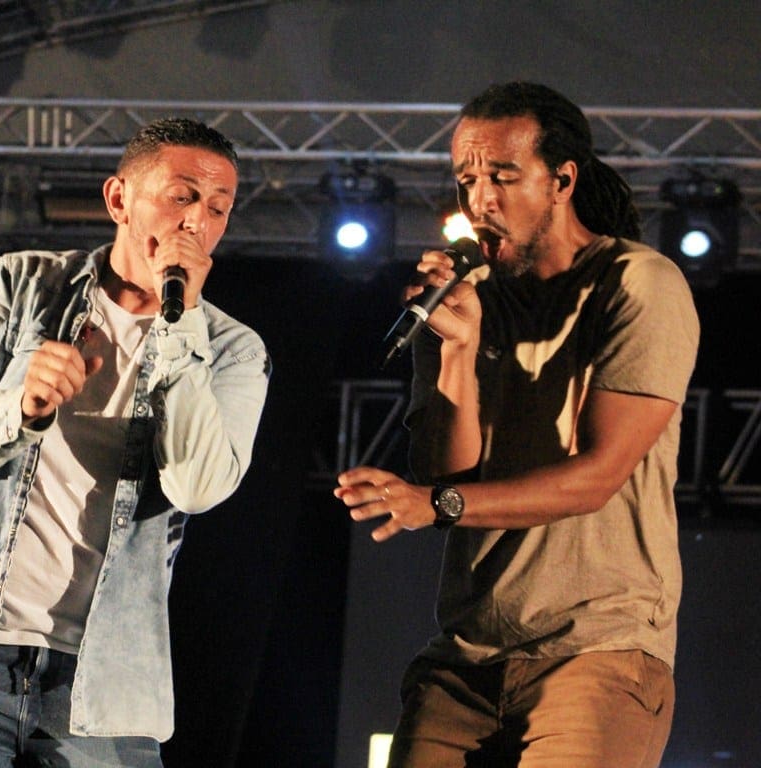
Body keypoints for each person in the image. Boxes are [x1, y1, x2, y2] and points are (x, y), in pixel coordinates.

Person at [0, 117, 270, 768]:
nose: (196, 221)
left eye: (217, 207)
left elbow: (198, 487)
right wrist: (22, 407)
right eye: (181, 195)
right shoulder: (20, 285)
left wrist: (179, 325)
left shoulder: (232, 350)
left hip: (106, 683)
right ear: (119, 199)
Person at [334, 82, 699, 767]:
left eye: (503, 176)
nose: (482, 201)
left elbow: (596, 478)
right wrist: (456, 349)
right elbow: (449, 472)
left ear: (562, 180)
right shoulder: (465, 301)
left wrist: (433, 504)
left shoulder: (636, 282)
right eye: (467, 179)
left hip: (596, 647)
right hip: (467, 656)